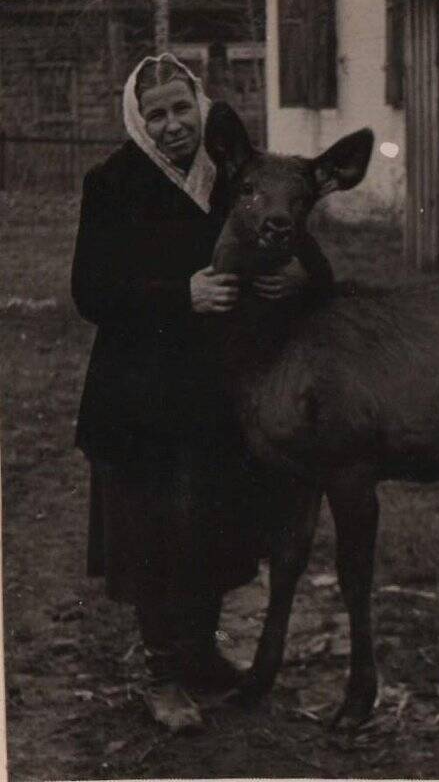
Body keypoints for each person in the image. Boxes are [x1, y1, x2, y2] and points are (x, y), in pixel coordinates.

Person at [71, 54, 333, 731]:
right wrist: (178, 294)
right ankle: (163, 673)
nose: (171, 124)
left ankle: (202, 653)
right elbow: (90, 291)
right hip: (143, 393)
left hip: (221, 386)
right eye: (154, 113)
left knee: (216, 523)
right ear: (137, 118)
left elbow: (304, 250)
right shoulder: (113, 183)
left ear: (201, 107)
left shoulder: (234, 179)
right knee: (157, 529)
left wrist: (300, 278)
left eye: (181, 108)